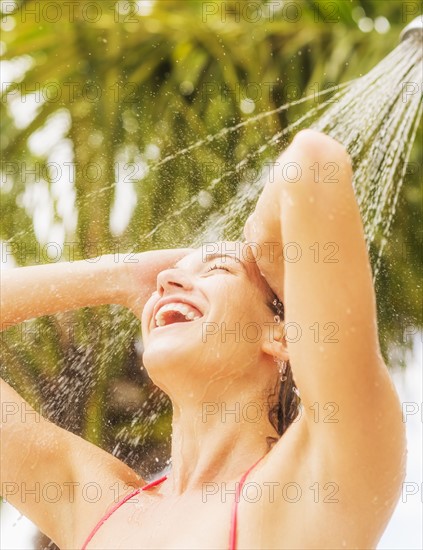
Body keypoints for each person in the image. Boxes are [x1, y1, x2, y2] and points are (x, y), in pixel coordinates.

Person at [1, 130, 406, 549]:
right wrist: (117, 275)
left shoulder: (316, 481)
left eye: (217, 271)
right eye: (167, 279)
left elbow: (313, 162)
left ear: (281, 336)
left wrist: (264, 248)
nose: (166, 280)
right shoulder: (96, 508)